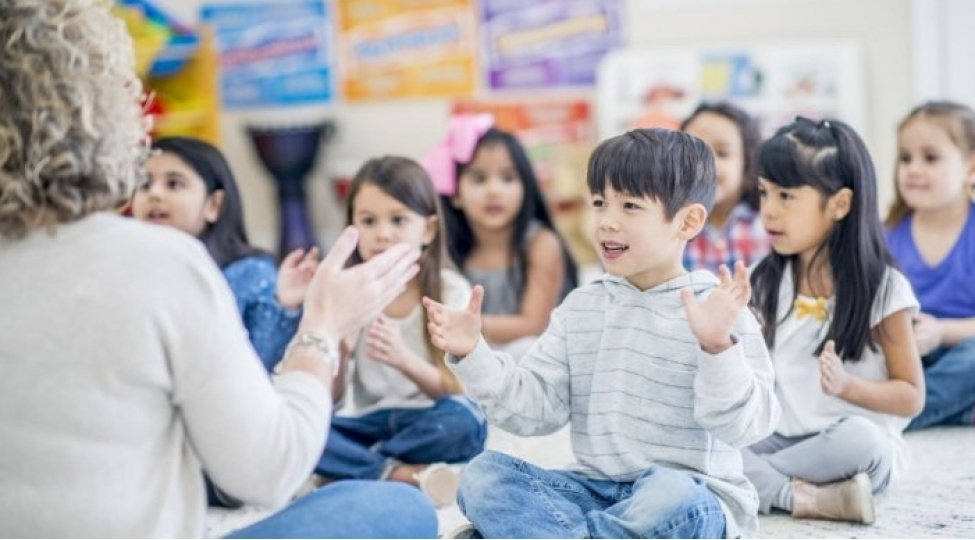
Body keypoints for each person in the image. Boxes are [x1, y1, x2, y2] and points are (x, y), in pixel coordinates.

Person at [0, 1, 436, 537]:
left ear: (215, 204)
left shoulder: (217, 265)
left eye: (174, 183)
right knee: (400, 509)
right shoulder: (160, 261)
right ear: (104, 114)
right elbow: (267, 471)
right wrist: (324, 324)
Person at [424, 128, 780, 539]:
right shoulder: (581, 308)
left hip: (689, 493)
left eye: (630, 205)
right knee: (483, 477)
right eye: (599, 203)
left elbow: (748, 428)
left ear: (688, 221)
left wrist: (716, 348)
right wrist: (474, 353)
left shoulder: (718, 310)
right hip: (595, 491)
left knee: (675, 498)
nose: (607, 222)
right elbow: (533, 410)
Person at [743, 117, 925, 525]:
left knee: (864, 442)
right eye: (764, 192)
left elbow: (911, 395)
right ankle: (804, 497)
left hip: (847, 443)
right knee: (703, 439)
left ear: (839, 204)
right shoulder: (763, 280)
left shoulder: (883, 289)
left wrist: (848, 386)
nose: (769, 210)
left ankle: (749, 484)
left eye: (786, 196)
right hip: (780, 437)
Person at [312, 156, 487, 508]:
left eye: (398, 219)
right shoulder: (348, 292)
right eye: (368, 221)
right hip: (369, 422)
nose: (383, 234)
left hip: (429, 418)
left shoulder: (450, 290)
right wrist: (340, 348)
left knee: (467, 422)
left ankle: (357, 467)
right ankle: (401, 474)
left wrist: (403, 359)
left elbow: (460, 389)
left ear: (429, 230)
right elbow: (331, 399)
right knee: (309, 430)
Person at [131, 136, 316, 374]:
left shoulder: (250, 273)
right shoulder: (130, 273)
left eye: (174, 184)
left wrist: (285, 308)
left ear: (214, 205)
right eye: (145, 184)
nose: (155, 194)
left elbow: (260, 367)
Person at [423, 113, 578, 357]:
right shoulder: (447, 248)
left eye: (508, 178)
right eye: (479, 179)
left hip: (530, 360)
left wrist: (461, 325)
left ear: (525, 187)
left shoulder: (540, 243)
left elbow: (533, 325)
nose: (494, 191)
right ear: (455, 194)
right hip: (468, 357)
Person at [885, 101, 975, 429]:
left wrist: (940, 332)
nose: (914, 169)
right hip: (904, 353)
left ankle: (898, 416)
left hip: (961, 350)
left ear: (971, 168)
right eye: (905, 158)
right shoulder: (886, 235)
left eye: (931, 158)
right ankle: (956, 407)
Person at [681, 102, 769, 272]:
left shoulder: (767, 228)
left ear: (748, 166)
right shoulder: (669, 228)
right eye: (693, 151)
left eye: (722, 153)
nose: (704, 163)